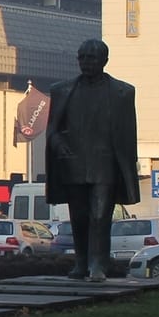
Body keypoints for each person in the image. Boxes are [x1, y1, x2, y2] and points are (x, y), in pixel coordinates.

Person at [46, 38, 140, 282]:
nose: (86, 63)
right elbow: (53, 130)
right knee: (78, 217)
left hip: (105, 165)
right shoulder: (62, 90)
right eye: (82, 58)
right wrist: (59, 145)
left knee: (100, 217)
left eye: (91, 58)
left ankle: (98, 264)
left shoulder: (122, 92)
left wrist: (128, 169)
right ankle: (81, 263)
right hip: (73, 164)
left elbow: (128, 135)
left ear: (104, 61)